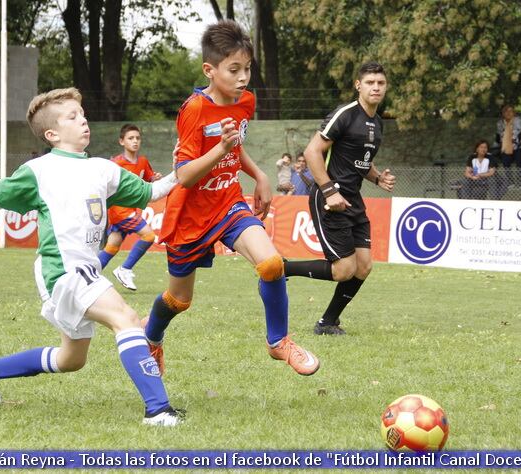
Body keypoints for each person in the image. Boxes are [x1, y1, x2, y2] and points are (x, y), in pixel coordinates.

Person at [0, 88, 184, 426]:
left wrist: (180, 168)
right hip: (62, 270)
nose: (83, 120)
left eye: (82, 114)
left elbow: (150, 192)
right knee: (125, 318)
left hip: (85, 270)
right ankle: (158, 411)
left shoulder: (103, 169)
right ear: (52, 134)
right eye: (72, 117)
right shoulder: (38, 170)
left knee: (71, 360)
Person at [141, 20, 320, 376]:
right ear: (209, 70)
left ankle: (278, 341)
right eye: (234, 69)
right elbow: (186, 174)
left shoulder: (245, 102)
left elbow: (236, 148)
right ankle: (152, 337)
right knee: (178, 300)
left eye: (248, 68)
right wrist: (221, 147)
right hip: (189, 215)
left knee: (271, 265)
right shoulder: (194, 110)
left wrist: (260, 175)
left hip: (228, 203)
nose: (243, 78)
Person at [283, 61, 396, 335]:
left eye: (380, 83)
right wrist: (330, 190)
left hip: (353, 200)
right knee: (344, 269)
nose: (376, 87)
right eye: (370, 83)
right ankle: (282, 269)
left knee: (364, 266)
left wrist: (378, 178)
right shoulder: (345, 114)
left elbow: (360, 162)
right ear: (358, 85)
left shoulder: (377, 123)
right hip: (328, 198)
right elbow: (312, 152)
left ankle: (327, 323)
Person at [98, 124, 163, 291]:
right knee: (149, 236)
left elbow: (146, 183)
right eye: (130, 138)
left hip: (130, 210)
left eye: (137, 138)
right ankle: (124, 269)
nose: (135, 141)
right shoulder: (115, 164)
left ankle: (89, 276)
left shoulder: (143, 162)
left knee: (112, 246)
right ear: (122, 141)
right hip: (119, 211)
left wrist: (154, 179)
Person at [495, 104, 521, 185]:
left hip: (520, 146)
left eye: (510, 111)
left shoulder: (520, 121)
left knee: (519, 158)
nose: (508, 113)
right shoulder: (500, 123)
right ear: (502, 113)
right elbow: (498, 137)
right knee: (505, 159)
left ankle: (520, 181)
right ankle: (509, 181)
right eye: (506, 111)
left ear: (514, 113)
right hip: (506, 146)